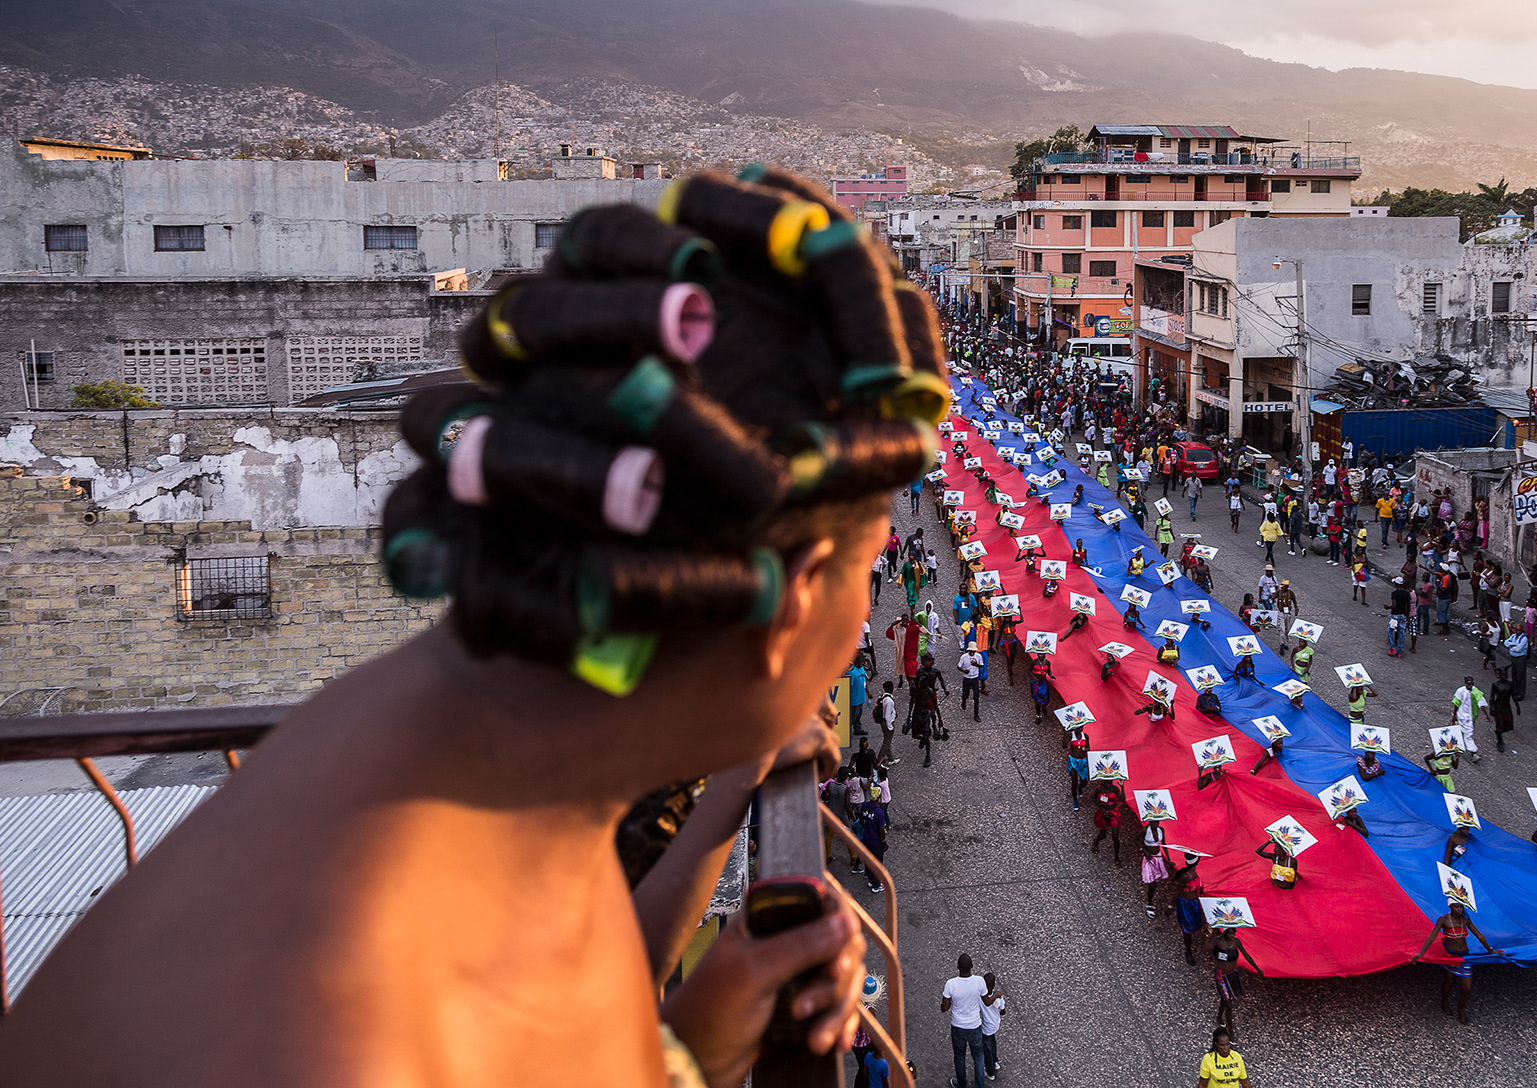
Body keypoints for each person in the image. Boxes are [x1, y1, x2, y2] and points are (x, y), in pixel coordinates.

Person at [0, 178, 943, 1086]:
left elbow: (565, 985)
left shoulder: (462, 763)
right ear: (795, 600)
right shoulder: (333, 1041)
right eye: (869, 564)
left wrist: (694, 1034)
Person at [1414, 904, 1504, 1024]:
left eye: (1461, 907)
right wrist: (1421, 953)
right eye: (1456, 907)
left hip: (1464, 956)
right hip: (1451, 956)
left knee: (1467, 989)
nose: (1459, 909)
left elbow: (1479, 935)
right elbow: (1432, 937)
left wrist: (1490, 950)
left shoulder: (1465, 920)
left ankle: (1461, 1010)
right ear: (1450, 907)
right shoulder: (1444, 920)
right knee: (1449, 981)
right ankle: (1444, 1002)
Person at [941, 953, 991, 1088]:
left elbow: (944, 1008)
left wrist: (950, 1001)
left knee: (959, 1056)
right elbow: (986, 1001)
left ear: (957, 967)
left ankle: (962, 1083)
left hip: (958, 1026)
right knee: (978, 1057)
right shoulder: (980, 981)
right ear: (972, 966)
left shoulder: (951, 984)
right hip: (974, 1025)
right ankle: (980, 1085)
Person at [1209, 927, 1256, 1043]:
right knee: (1229, 1004)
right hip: (1221, 976)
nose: (1232, 935)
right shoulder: (1217, 941)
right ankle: (1231, 1032)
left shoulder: (1236, 942)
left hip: (1232, 975)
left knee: (1225, 998)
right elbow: (1206, 948)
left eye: (1233, 932)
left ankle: (1219, 1017)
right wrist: (1208, 937)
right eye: (1230, 932)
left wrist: (1257, 968)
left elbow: (1246, 955)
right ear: (1224, 933)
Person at [1451, 675, 1487, 763]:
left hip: (1470, 718)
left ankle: (1458, 747)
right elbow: (1457, 704)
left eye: (1472, 682)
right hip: (1461, 716)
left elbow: (1481, 703)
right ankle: (1473, 753)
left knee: (1465, 733)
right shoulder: (1460, 691)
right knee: (1467, 735)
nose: (1470, 684)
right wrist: (1454, 715)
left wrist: (1487, 715)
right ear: (1465, 683)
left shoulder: (1475, 691)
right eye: (1468, 683)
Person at [979, 973, 1005, 1082]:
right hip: (995, 1024)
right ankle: (995, 1062)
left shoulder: (981, 998)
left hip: (986, 1028)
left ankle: (990, 1073)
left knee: (987, 1049)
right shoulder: (998, 996)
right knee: (993, 1043)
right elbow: (1003, 1011)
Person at [1488, 666, 1517, 754]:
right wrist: (1491, 708)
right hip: (1498, 706)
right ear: (1500, 675)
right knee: (1499, 724)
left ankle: (1498, 732)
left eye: (1506, 674)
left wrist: (1517, 707)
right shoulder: (1496, 685)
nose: (1505, 676)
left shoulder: (1510, 684)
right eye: (1503, 674)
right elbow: (1492, 697)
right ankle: (1499, 741)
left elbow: (1513, 696)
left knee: (1509, 726)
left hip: (1506, 706)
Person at [957, 645, 984, 721]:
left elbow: (982, 665)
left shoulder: (978, 656)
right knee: (965, 694)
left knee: (976, 697)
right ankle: (964, 701)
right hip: (967, 678)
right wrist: (964, 671)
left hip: (975, 678)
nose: (972, 652)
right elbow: (959, 666)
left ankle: (976, 714)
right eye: (971, 651)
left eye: (974, 651)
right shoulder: (964, 657)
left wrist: (976, 664)